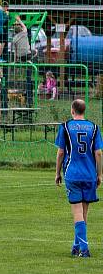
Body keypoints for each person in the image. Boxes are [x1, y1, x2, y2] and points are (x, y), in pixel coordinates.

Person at [55, 99, 103, 258]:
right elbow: (98, 153)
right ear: (84, 110)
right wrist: (99, 174)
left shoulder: (65, 127)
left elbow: (61, 152)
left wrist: (57, 173)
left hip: (73, 174)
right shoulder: (94, 128)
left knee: (77, 213)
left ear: (72, 110)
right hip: (89, 174)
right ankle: (76, 247)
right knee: (83, 213)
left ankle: (84, 249)